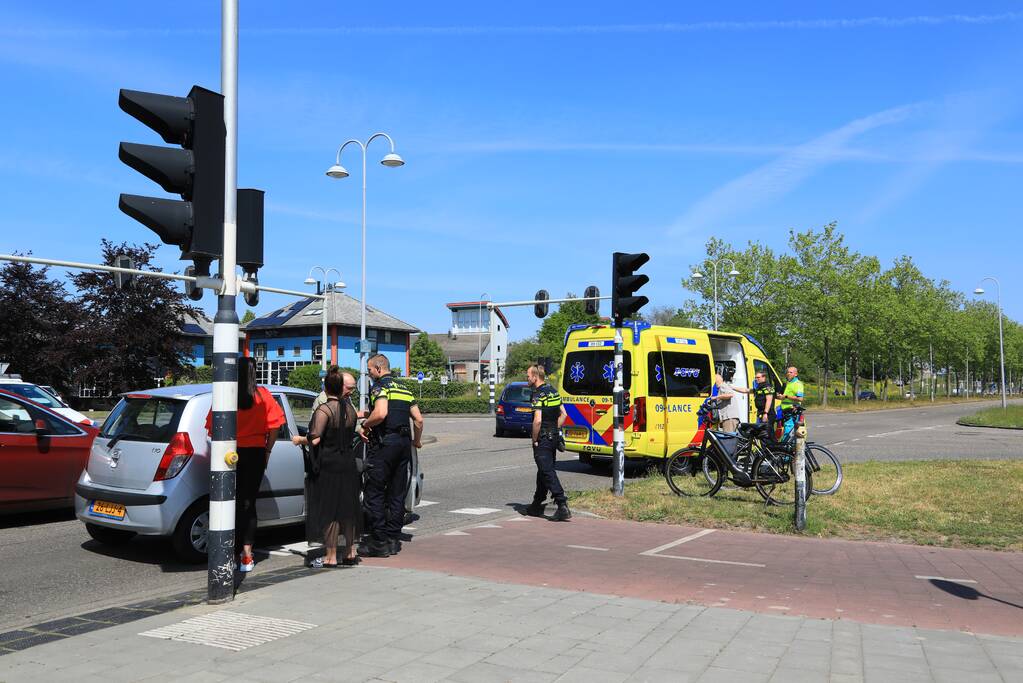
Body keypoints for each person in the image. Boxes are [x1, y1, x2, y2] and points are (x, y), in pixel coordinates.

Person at [206, 356, 285, 573]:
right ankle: (247, 555)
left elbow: (212, 428)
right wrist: (267, 449)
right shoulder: (264, 396)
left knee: (227, 502)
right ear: (255, 372)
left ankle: (227, 553)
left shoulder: (226, 396)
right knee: (248, 504)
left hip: (229, 453)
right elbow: (276, 425)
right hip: (256, 454)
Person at [292, 372, 361, 568]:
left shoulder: (324, 410)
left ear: (326, 388)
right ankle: (350, 551)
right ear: (341, 388)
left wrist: (299, 440)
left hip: (329, 464)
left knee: (330, 510)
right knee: (347, 508)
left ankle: (330, 556)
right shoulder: (350, 410)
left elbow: (314, 439)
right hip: (347, 462)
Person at [359, 354, 424, 557]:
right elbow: (419, 420)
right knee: (397, 493)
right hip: (403, 444)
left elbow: (380, 413)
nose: (369, 374)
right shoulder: (404, 388)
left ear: (378, 368)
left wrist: (365, 424)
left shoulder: (380, 387)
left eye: (369, 370)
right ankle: (394, 539)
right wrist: (416, 441)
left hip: (384, 444)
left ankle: (379, 542)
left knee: (375, 493)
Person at [525, 364, 571, 521]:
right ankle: (536, 504)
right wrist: (553, 429)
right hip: (553, 438)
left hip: (543, 439)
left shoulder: (538, 395)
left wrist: (535, 439)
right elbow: (564, 414)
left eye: (529, 376)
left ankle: (562, 503)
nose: (527, 379)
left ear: (536, 377)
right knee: (543, 470)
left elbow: (537, 421)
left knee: (547, 471)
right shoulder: (553, 391)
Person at [777, 366, 805, 441]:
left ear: (796, 374)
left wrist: (786, 396)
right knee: (786, 431)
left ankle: (786, 449)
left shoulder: (798, 384)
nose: (788, 374)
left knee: (789, 432)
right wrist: (780, 397)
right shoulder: (787, 383)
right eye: (787, 372)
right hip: (784, 411)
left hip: (792, 411)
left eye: (790, 372)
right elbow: (784, 397)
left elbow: (800, 398)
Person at [713, 366, 742, 433]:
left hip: (729, 418)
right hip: (729, 418)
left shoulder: (723, 386)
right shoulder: (723, 386)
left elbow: (730, 395)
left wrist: (716, 397)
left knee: (729, 439)